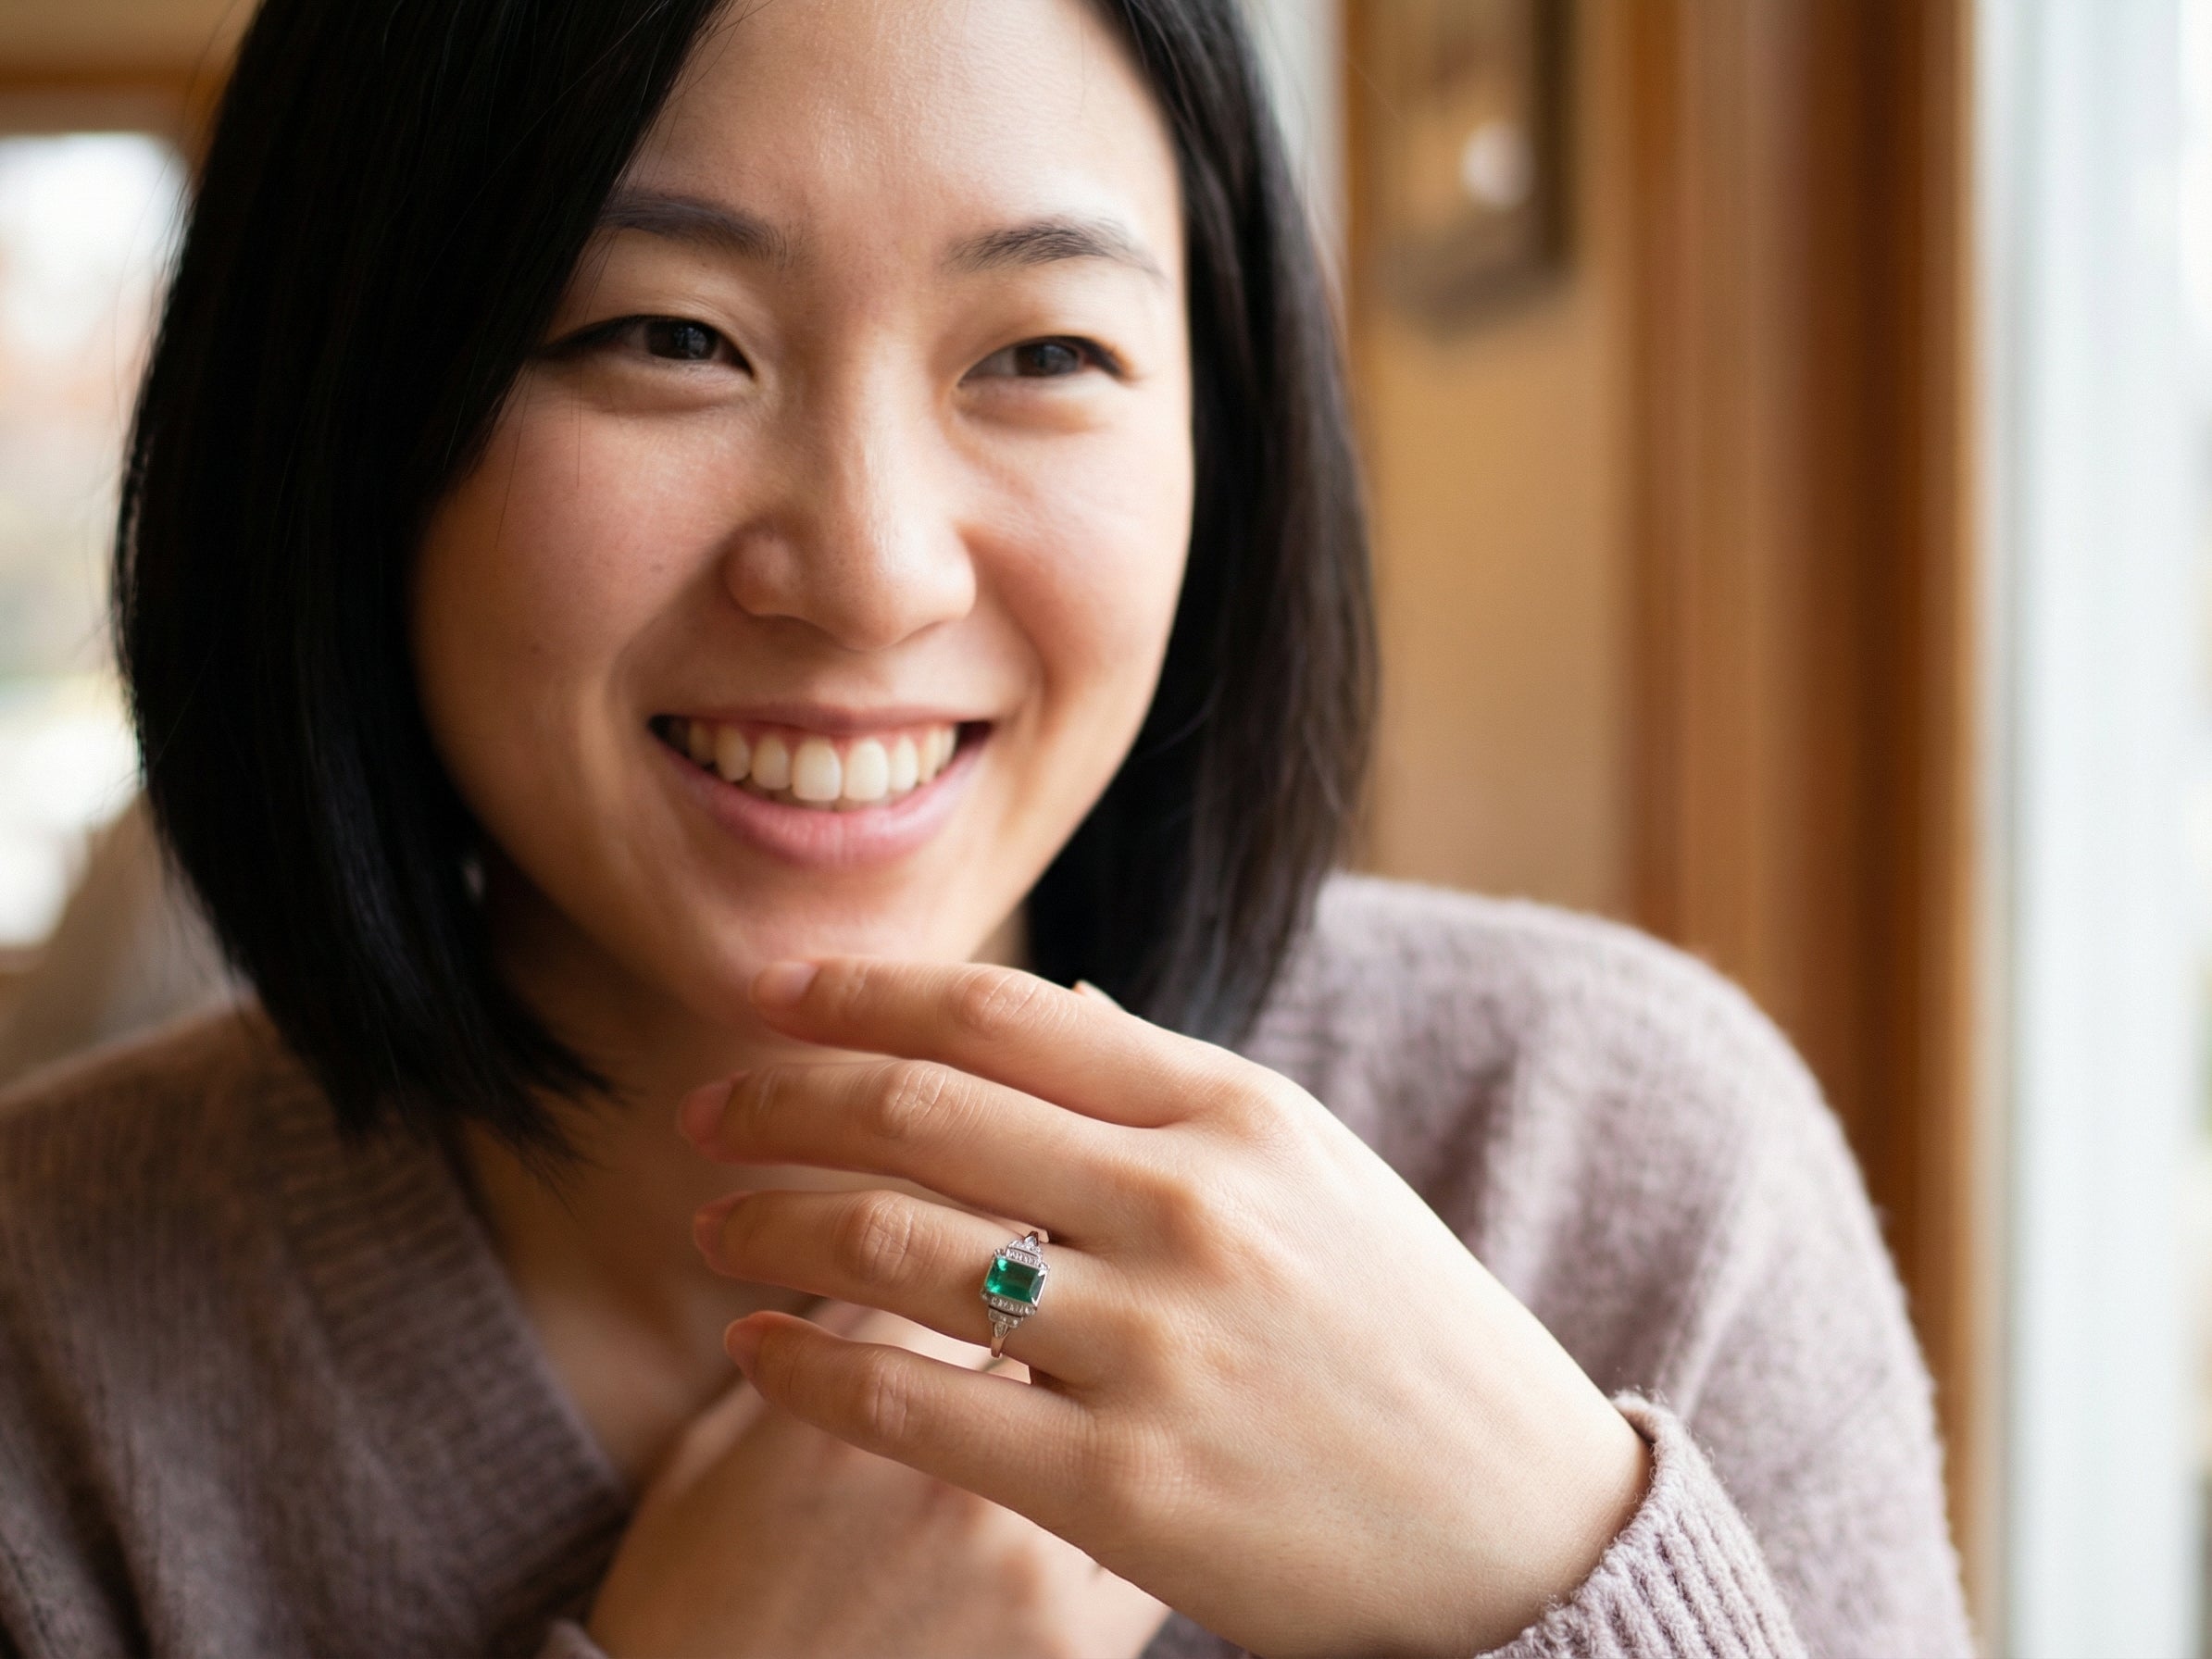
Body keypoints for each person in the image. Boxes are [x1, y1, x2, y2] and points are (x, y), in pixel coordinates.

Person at [0, 0, 1974, 1654]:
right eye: (665, 335)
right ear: (345, 414)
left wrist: (1554, 1564)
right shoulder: (51, 1349)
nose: (867, 570)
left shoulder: (1598, 1165)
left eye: (1042, 353)